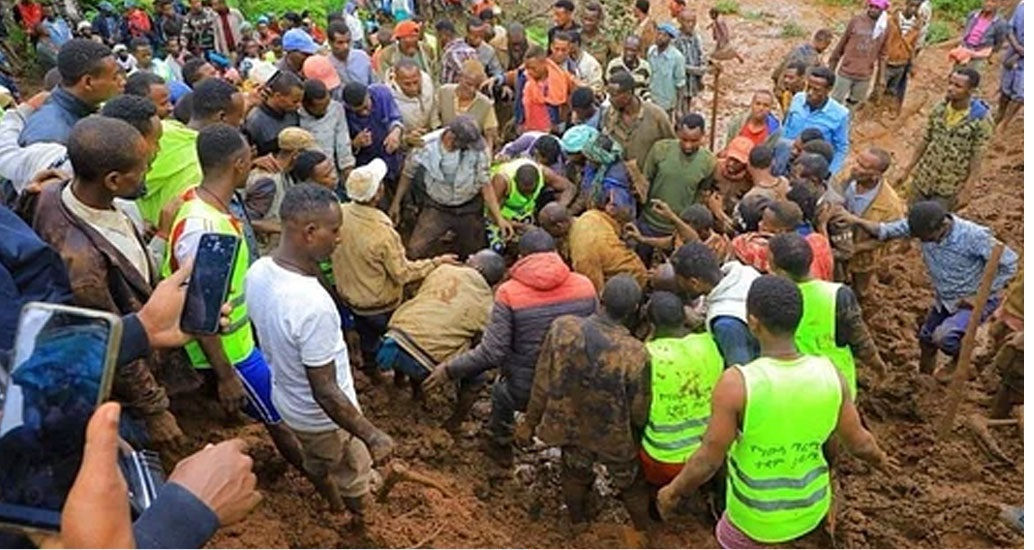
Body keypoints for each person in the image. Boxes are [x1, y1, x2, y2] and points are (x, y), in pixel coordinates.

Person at [656, 275, 896, 547]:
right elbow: (860, 443)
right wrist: (881, 460)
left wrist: (672, 492)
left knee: (727, 537)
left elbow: (709, 460)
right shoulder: (831, 374)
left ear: (753, 322)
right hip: (811, 509)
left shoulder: (738, 384)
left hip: (753, 519)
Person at [162, 122, 309, 474]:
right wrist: (226, 374)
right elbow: (202, 311)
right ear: (239, 164)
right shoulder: (210, 230)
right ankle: (328, 492)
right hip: (232, 352)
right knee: (281, 421)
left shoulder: (195, 204)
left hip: (235, 343)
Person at [29, 116, 183, 446]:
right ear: (113, 180)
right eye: (142, 168)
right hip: (120, 396)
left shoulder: (55, 189)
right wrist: (155, 410)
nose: (148, 172)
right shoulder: (82, 264)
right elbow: (112, 340)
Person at [246, 183, 395, 522]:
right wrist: (372, 435)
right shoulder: (311, 307)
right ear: (310, 232)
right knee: (354, 472)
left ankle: (332, 502)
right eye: (335, 230)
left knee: (315, 461)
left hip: (287, 401)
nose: (339, 237)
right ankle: (360, 521)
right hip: (324, 421)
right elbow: (326, 391)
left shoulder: (259, 272)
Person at [425, 229, 597, 464]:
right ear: (556, 253)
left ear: (521, 258)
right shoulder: (585, 286)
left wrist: (449, 369)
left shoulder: (509, 293)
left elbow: (492, 352)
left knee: (500, 391)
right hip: (576, 386)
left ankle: (500, 445)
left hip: (525, 390)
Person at [515, 275, 652, 545]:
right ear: (635, 310)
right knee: (630, 484)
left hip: (569, 424)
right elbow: (639, 409)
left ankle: (578, 524)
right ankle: (642, 531)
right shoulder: (636, 353)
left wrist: (529, 423)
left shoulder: (562, 328)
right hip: (612, 434)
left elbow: (542, 379)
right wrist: (637, 436)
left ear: (600, 298)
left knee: (574, 473)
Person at [847, 201, 1018, 376]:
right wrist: (854, 220)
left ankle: (964, 361)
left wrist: (981, 294)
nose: (924, 241)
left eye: (928, 238)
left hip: (974, 300)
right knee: (926, 339)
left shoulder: (973, 236)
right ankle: (924, 379)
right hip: (946, 299)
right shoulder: (923, 226)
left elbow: (1011, 263)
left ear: (943, 225)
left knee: (944, 337)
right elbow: (885, 231)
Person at [332, 158, 457, 376]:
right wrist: (436, 263)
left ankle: (373, 372)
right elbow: (402, 273)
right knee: (396, 342)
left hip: (351, 300)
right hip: (380, 304)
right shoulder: (382, 233)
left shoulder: (338, 214)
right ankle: (397, 376)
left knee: (367, 340)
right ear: (377, 193)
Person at [379, 248, 505, 425]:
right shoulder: (488, 305)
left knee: (420, 320)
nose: (467, 256)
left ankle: (402, 384)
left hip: (391, 341)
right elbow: (481, 347)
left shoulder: (443, 270)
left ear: (479, 269)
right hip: (424, 365)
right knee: (477, 375)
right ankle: (454, 424)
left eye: (472, 257)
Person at [769, 232, 887, 395]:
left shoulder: (771, 299)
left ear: (778, 270)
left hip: (794, 388)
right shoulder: (838, 294)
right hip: (837, 385)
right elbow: (859, 339)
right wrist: (878, 366)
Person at [638, 290, 724, 488]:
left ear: (650, 324)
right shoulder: (708, 344)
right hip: (708, 454)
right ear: (684, 315)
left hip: (662, 457)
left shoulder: (646, 355)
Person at [139, 77, 244, 226]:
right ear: (222, 117)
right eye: (239, 116)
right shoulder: (204, 163)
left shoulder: (159, 132)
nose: (241, 123)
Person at [391, 117, 490, 260]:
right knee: (414, 251)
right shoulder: (425, 145)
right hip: (437, 207)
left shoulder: (477, 147)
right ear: (451, 139)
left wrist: (499, 218)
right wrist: (396, 202)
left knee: (476, 254)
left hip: (469, 207)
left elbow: (485, 183)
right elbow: (408, 173)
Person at [899, 68, 991, 211]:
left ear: (971, 90)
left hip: (949, 187)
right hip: (924, 178)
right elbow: (925, 140)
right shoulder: (939, 109)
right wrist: (907, 169)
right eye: (950, 83)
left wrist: (968, 189)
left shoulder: (980, 120)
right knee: (912, 216)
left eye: (957, 86)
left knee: (933, 226)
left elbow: (977, 156)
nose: (950, 88)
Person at [826, 146, 904, 296]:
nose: (855, 167)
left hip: (863, 258)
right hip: (835, 243)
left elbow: (887, 237)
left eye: (863, 166)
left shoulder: (890, 205)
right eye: (857, 161)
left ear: (876, 175)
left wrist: (856, 248)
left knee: (861, 291)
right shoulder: (845, 177)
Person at [21, 39, 124, 146]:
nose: (122, 81)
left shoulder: (78, 111)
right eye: (115, 77)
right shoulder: (51, 139)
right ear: (88, 82)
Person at [672, 242, 761, 367]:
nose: (678, 285)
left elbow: (740, 370)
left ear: (694, 283)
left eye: (679, 281)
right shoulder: (746, 273)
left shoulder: (726, 324)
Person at [638, 113, 715, 257]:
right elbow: (645, 182)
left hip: (678, 229)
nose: (688, 146)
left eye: (694, 141)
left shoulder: (708, 162)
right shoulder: (661, 149)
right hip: (649, 222)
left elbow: (702, 194)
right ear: (678, 132)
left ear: (703, 136)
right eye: (684, 139)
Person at [569, 186, 648, 292]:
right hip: (627, 287)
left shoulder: (590, 216)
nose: (627, 209)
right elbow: (594, 290)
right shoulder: (586, 251)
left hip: (632, 280)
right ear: (609, 208)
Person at [781, 66, 850, 176]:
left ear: (829, 89)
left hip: (811, 168)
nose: (810, 92)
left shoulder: (840, 114)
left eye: (816, 90)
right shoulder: (798, 99)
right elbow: (786, 126)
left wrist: (830, 172)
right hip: (786, 159)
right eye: (808, 87)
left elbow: (841, 148)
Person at [603, 70, 675, 168]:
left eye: (614, 95)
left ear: (628, 94)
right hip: (621, 178)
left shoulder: (657, 116)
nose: (610, 100)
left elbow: (672, 147)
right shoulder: (609, 116)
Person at [828, 0, 889, 111]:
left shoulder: (884, 28)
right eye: (871, 6)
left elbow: (883, 54)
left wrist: (881, 77)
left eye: (877, 8)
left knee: (853, 105)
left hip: (864, 75)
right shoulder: (856, 21)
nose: (872, 10)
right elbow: (842, 43)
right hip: (846, 71)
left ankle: (846, 126)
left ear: (883, 10)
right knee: (834, 102)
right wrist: (831, 67)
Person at [341, 81, 405, 186]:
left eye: (366, 107)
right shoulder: (342, 112)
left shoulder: (382, 93)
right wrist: (355, 143)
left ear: (368, 95)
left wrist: (395, 132)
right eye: (358, 111)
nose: (364, 113)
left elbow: (396, 117)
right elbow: (343, 147)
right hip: (368, 166)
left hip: (392, 157)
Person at [299, 78, 355, 184]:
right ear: (307, 105)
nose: (326, 110)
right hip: (311, 178)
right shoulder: (296, 116)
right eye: (321, 108)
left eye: (327, 105)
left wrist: (347, 167)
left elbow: (343, 141)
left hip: (334, 173)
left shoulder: (336, 109)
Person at [877, 0, 925, 118]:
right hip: (888, 61)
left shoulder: (916, 25)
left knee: (893, 89)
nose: (913, 9)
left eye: (916, 6)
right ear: (906, 4)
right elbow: (883, 42)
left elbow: (913, 46)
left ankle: (886, 110)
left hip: (902, 62)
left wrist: (912, 64)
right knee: (879, 87)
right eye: (911, 5)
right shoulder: (893, 20)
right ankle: (873, 111)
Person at [437, 59, 499, 151]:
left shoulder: (485, 104)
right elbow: (434, 121)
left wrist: (487, 157)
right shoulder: (444, 92)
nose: (472, 89)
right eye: (468, 84)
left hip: (470, 151)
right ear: (459, 78)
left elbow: (490, 136)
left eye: (477, 86)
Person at [245, 68, 303, 156]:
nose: (299, 105)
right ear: (278, 96)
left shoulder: (292, 114)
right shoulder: (255, 122)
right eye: (295, 101)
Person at [948, 0, 1007, 70]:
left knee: (971, 77)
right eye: (986, 1)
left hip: (979, 55)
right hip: (964, 50)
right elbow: (966, 31)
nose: (989, 4)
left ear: (999, 4)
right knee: (956, 75)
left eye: (993, 1)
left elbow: (999, 42)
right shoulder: (972, 15)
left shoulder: (1000, 23)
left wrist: (986, 52)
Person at [995, 0, 1024, 133]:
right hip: (1014, 50)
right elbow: (1010, 28)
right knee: (1005, 88)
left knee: (1021, 94)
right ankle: (999, 115)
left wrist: (1019, 54)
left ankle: (1006, 122)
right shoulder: (1023, 5)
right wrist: (1017, 47)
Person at [672, 8, 707, 113]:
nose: (691, 25)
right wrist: (696, 70)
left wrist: (703, 64)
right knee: (679, 106)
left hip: (692, 81)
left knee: (688, 103)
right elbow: (677, 64)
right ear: (681, 22)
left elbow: (701, 54)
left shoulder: (696, 37)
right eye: (688, 22)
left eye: (693, 22)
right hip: (680, 80)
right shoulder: (676, 39)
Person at [648, 23, 687, 118]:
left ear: (670, 39)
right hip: (651, 100)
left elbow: (680, 85)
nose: (660, 37)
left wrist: (679, 108)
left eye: (664, 35)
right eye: (659, 34)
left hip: (666, 104)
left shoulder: (677, 57)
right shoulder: (651, 52)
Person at [327, 20, 375, 86]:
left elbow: (375, 83)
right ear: (330, 43)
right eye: (340, 43)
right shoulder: (327, 65)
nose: (345, 46)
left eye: (348, 41)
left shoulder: (362, 58)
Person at [606, 37, 652, 103]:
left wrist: (648, 102)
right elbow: (609, 86)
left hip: (638, 102)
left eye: (633, 50)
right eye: (627, 49)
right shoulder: (614, 65)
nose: (629, 53)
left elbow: (646, 88)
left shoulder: (645, 66)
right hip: (617, 101)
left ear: (639, 51)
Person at [437, 19, 478, 85]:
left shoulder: (451, 54)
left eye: (438, 36)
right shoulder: (471, 50)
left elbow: (466, 75)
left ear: (444, 35)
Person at [580, 2, 617, 67]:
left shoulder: (607, 38)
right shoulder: (576, 36)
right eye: (585, 18)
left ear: (598, 20)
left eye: (591, 20)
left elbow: (615, 58)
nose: (587, 23)